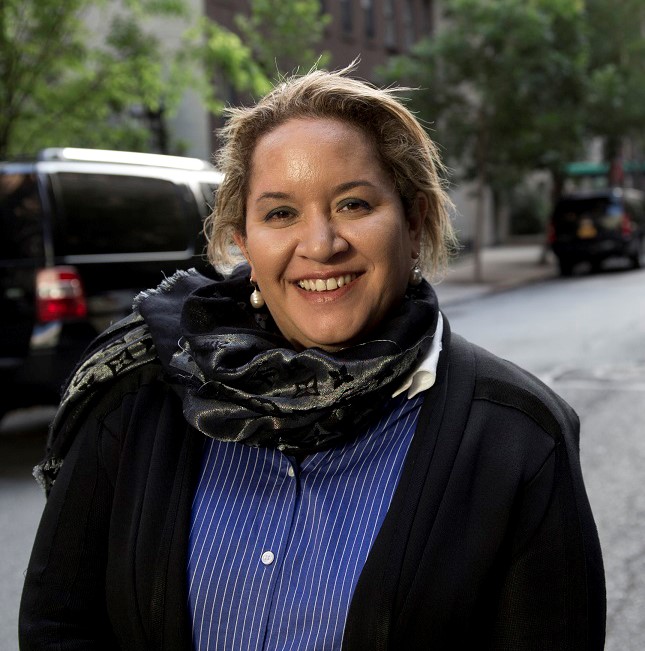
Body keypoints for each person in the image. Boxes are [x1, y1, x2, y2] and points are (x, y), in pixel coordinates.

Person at [19, 66, 605, 650]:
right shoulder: (139, 393)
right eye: (280, 214)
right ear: (244, 241)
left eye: (353, 204)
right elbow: (58, 625)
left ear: (415, 218)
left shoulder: (520, 435)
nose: (321, 245)